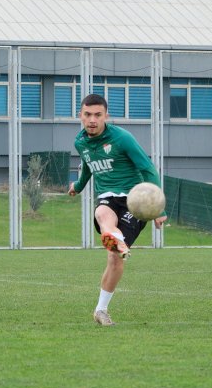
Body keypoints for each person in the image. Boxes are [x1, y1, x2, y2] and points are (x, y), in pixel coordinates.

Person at [68, 94, 167, 326]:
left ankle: (101, 306)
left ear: (106, 116)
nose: (92, 120)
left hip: (135, 201)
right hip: (107, 198)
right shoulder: (80, 142)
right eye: (87, 114)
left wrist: (158, 207)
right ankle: (115, 239)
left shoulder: (122, 138)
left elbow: (149, 168)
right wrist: (78, 186)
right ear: (80, 116)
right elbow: (87, 168)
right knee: (102, 214)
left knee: (114, 259)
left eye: (97, 115)